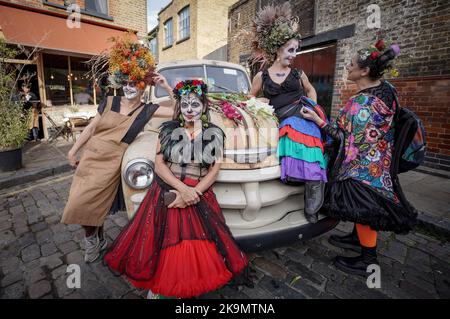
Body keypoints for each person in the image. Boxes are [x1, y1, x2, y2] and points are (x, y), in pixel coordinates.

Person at [104, 80, 248, 299]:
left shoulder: (214, 133)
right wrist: (183, 190)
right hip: (167, 189)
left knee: (193, 240)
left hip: (198, 191)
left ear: (204, 106)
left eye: (195, 104)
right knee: (162, 237)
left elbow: (214, 170)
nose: (190, 110)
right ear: (179, 107)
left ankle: (185, 283)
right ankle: (160, 284)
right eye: (185, 105)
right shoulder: (169, 130)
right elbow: (159, 165)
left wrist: (195, 193)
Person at [301, 39, 418, 276]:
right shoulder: (387, 90)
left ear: (364, 71)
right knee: (361, 208)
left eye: (352, 64)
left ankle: (368, 260)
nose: (347, 67)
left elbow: (346, 140)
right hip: (382, 160)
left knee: (364, 208)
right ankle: (357, 238)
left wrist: (317, 121)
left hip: (365, 169)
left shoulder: (360, 104)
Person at [61, 35, 174, 263]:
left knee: (91, 203)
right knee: (79, 202)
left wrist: (166, 86)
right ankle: (94, 239)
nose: (128, 88)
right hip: (90, 157)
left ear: (143, 85)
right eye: (126, 83)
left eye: (134, 83)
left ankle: (94, 240)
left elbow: (179, 111)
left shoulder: (147, 110)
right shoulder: (110, 101)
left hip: (112, 162)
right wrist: (73, 151)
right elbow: (91, 129)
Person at [248, 3, 327, 223]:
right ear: (277, 49)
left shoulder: (298, 73)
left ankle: (313, 203)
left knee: (310, 152)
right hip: (279, 120)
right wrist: (258, 100)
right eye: (290, 50)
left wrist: (313, 107)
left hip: (301, 116)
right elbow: (249, 98)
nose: (294, 55)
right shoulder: (261, 76)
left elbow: (310, 89)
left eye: (295, 50)